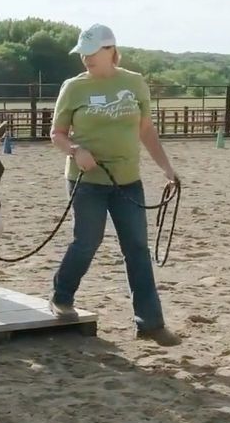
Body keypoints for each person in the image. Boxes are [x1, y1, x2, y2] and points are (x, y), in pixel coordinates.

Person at [48, 23, 182, 347]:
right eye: (83, 53)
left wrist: (167, 168)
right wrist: (76, 151)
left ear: (111, 51)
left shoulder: (134, 84)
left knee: (137, 248)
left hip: (127, 181)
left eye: (92, 52)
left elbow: (146, 130)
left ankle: (150, 322)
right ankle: (61, 296)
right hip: (86, 182)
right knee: (86, 242)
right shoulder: (73, 87)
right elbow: (57, 134)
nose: (86, 59)